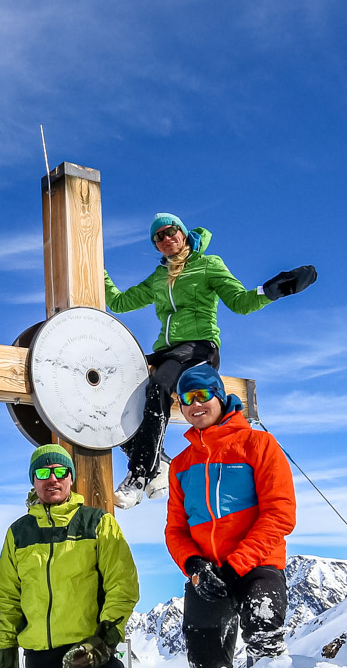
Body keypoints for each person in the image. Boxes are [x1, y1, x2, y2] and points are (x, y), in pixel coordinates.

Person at [104, 212, 317, 507]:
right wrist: (94, 269)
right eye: (159, 236)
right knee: (111, 382)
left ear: (183, 232)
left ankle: (139, 475)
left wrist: (270, 291)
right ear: (156, 245)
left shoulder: (208, 265)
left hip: (198, 347)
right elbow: (119, 302)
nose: (167, 238)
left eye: (171, 231)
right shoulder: (158, 277)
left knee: (159, 385)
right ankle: (158, 461)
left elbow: (240, 302)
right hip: (166, 350)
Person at [0, 444, 141, 668]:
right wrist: (5, 656)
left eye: (60, 471)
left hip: (88, 650)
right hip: (41, 659)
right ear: (33, 481)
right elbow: (9, 599)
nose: (52, 479)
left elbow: (122, 587)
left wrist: (102, 642)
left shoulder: (97, 523)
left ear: (71, 478)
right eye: (43, 473)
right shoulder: (18, 533)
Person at [163, 363, 297, 668]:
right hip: (208, 573)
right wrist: (194, 566)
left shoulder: (259, 445)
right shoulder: (180, 464)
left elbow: (280, 513)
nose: (195, 404)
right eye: (186, 398)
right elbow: (175, 529)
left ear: (221, 397)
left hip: (257, 566)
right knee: (203, 662)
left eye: (202, 394)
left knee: (264, 644)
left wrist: (236, 565)